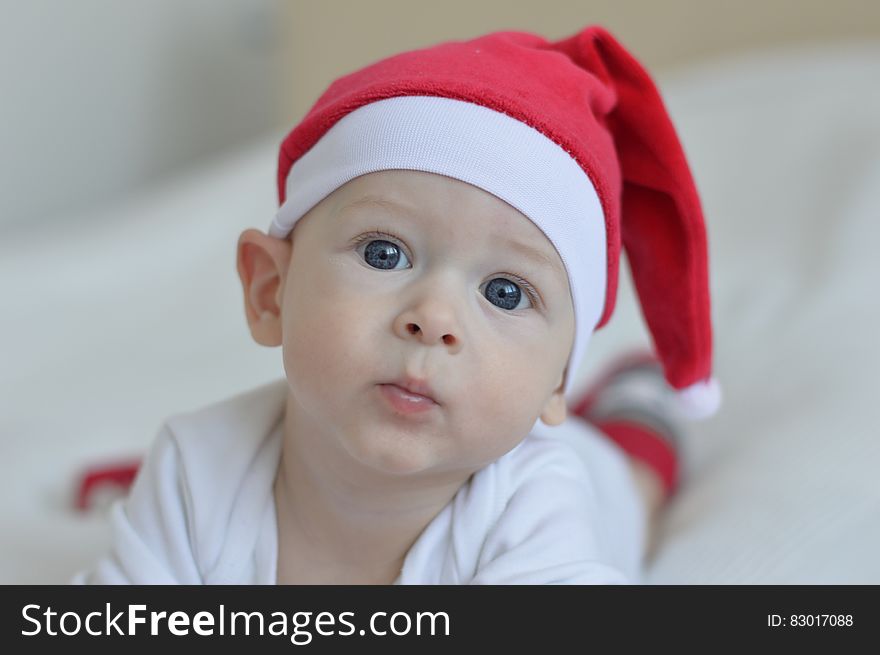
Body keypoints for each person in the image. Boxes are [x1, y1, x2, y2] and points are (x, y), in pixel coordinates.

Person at [73, 24, 720, 585]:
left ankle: (641, 399)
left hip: (595, 467)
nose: (433, 318)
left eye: (505, 292)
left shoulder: (539, 511)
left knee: (634, 475)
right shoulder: (196, 466)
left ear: (557, 376)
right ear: (271, 290)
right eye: (384, 253)